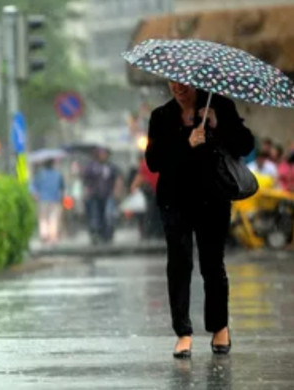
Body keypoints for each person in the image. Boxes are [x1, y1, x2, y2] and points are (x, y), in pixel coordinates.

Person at [146, 81, 254, 359]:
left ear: (196, 82)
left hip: (213, 199)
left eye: (184, 84)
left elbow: (245, 145)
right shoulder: (161, 116)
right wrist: (186, 142)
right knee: (179, 264)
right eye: (172, 82)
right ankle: (183, 332)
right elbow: (153, 161)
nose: (177, 88)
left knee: (212, 264)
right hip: (175, 201)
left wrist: (220, 126)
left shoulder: (219, 106)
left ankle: (220, 327)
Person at [83, 148, 121, 244]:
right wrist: (87, 190)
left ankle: (108, 234)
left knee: (108, 215)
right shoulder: (91, 166)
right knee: (95, 216)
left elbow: (117, 178)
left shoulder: (111, 167)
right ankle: (96, 234)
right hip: (94, 195)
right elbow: (85, 179)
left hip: (108, 194)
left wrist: (117, 191)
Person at [33, 160, 65, 243]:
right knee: (53, 218)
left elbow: (34, 186)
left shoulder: (40, 175)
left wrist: (35, 195)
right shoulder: (58, 175)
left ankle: (44, 234)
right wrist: (61, 197)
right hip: (55, 199)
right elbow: (62, 187)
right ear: (52, 165)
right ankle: (53, 236)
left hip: (43, 199)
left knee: (43, 218)